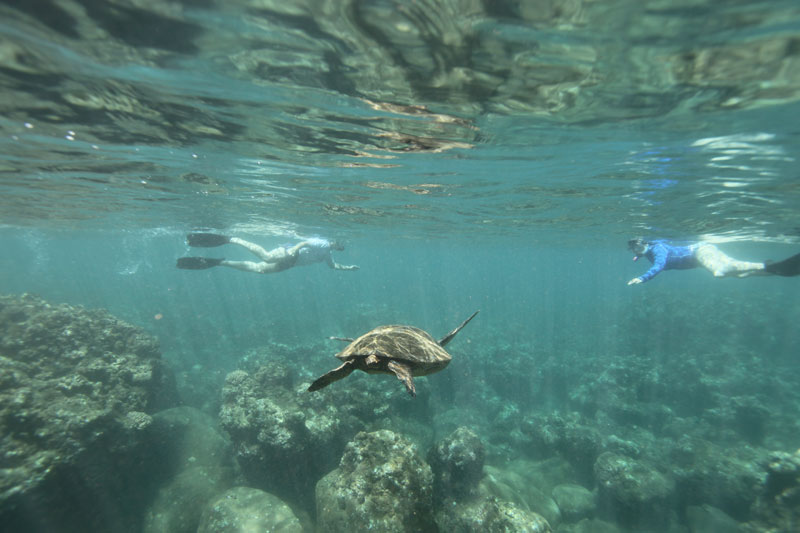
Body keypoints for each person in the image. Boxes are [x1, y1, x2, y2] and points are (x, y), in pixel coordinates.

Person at [626, 237, 800, 285]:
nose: (636, 250)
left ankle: (767, 265)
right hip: (699, 259)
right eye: (633, 249)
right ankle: (776, 270)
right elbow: (643, 253)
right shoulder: (644, 251)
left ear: (645, 243)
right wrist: (638, 255)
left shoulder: (658, 249)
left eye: (638, 247)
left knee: (721, 271)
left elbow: (659, 265)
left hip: (700, 251)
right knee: (737, 276)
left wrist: (643, 278)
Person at [177, 233, 359, 273]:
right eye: (340, 243)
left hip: (291, 263)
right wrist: (294, 249)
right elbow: (304, 242)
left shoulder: (328, 253)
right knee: (266, 257)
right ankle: (232, 239)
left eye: (342, 246)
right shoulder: (323, 242)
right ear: (336, 241)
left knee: (260, 269)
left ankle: (220, 262)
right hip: (290, 253)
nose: (340, 247)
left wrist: (348, 268)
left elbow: (333, 265)